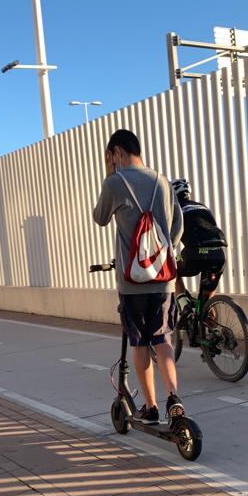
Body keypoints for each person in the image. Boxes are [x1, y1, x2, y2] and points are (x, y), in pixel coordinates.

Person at [93, 128, 185, 423]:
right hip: (163, 279)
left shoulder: (115, 183)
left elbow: (100, 218)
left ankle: (151, 407)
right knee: (163, 340)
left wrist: (109, 173)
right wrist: (158, 257)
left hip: (132, 283)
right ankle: (174, 398)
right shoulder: (162, 181)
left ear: (117, 152)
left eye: (112, 156)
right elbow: (176, 229)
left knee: (140, 343)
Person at [170, 178, 227, 304]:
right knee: (206, 300)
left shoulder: (175, 210)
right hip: (220, 253)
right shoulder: (203, 207)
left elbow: (171, 237)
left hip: (196, 252)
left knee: (172, 269)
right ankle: (208, 317)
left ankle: (184, 306)